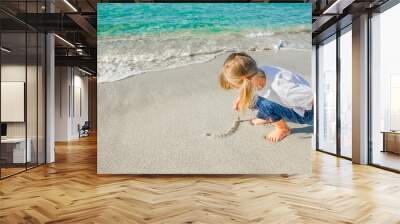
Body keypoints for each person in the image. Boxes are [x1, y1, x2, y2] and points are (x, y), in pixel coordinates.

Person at [218, 52, 313, 142]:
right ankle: (267, 117)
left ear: (245, 80)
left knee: (265, 104)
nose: (238, 90)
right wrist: (240, 98)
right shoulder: (259, 72)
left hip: (308, 114)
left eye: (237, 87)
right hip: (291, 103)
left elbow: (313, 97)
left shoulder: (283, 88)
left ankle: (283, 129)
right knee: (251, 100)